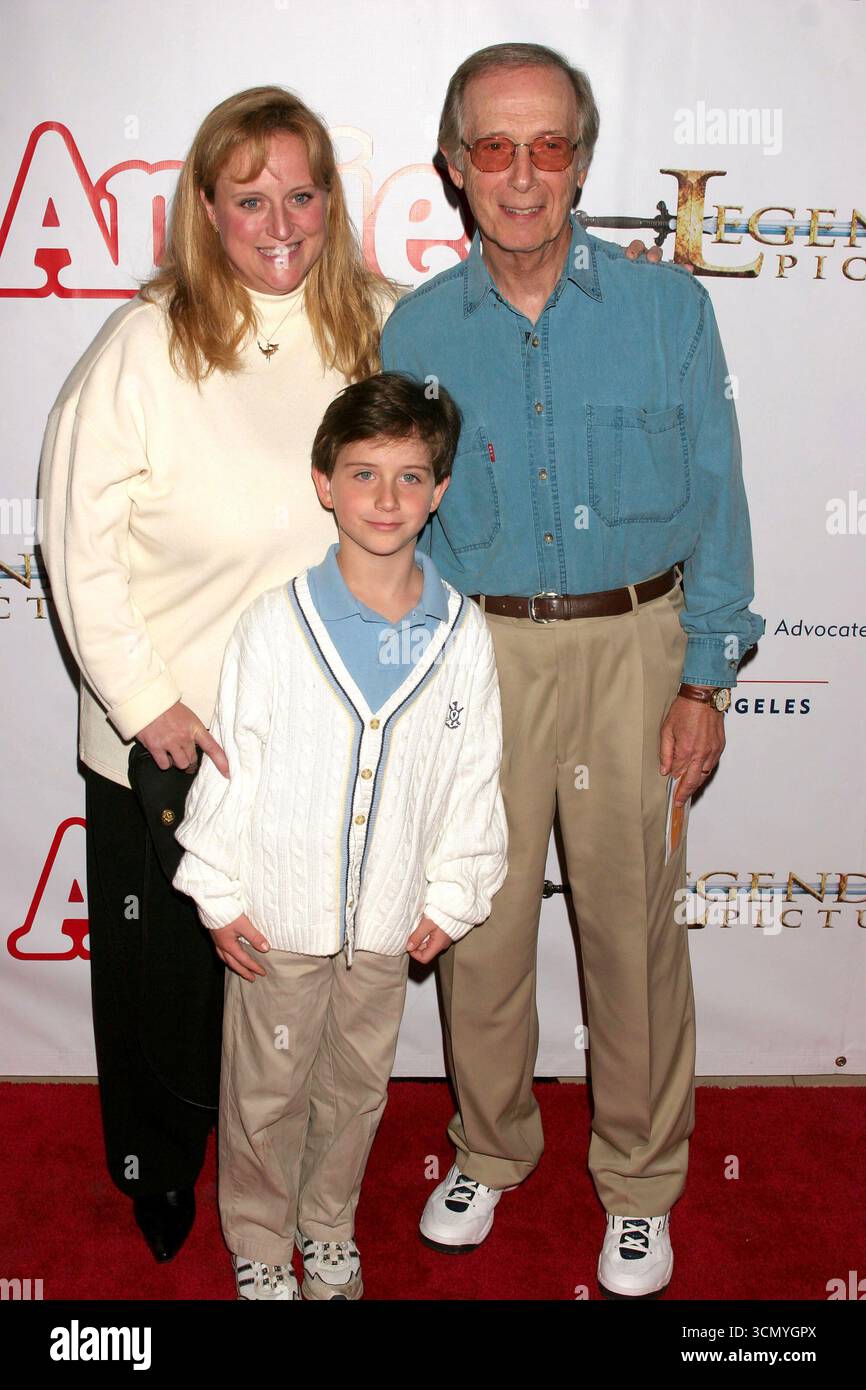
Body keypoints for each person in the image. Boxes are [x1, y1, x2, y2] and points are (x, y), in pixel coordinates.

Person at [380, 41, 765, 1299]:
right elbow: (394, 525)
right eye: (494, 147)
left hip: (633, 656)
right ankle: (489, 1148)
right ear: (453, 167)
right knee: (480, 929)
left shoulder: (668, 309)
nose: (523, 174)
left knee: (630, 937)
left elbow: (717, 495)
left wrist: (703, 678)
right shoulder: (418, 329)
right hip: (475, 662)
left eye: (548, 145)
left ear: (584, 161)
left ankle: (643, 1182)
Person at [36, 85, 399, 1262]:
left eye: (301, 193)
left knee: (297, 984)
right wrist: (148, 708)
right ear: (205, 207)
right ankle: (155, 1172)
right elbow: (74, 542)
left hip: (323, 740)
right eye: (249, 198)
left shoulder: (381, 329)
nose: (278, 220)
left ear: (331, 200)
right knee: (166, 988)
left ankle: (289, 1173)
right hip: (171, 738)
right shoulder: (146, 341)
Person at [170, 371, 508, 1300]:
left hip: (388, 925)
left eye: (409, 477)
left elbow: (472, 778)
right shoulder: (277, 628)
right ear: (324, 482)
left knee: (356, 1091)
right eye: (363, 475)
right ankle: (259, 1237)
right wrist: (220, 893)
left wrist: (452, 895)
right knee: (265, 1093)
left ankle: (326, 1228)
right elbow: (230, 765)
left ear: (439, 491)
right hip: (276, 923)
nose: (386, 499)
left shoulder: (462, 636)